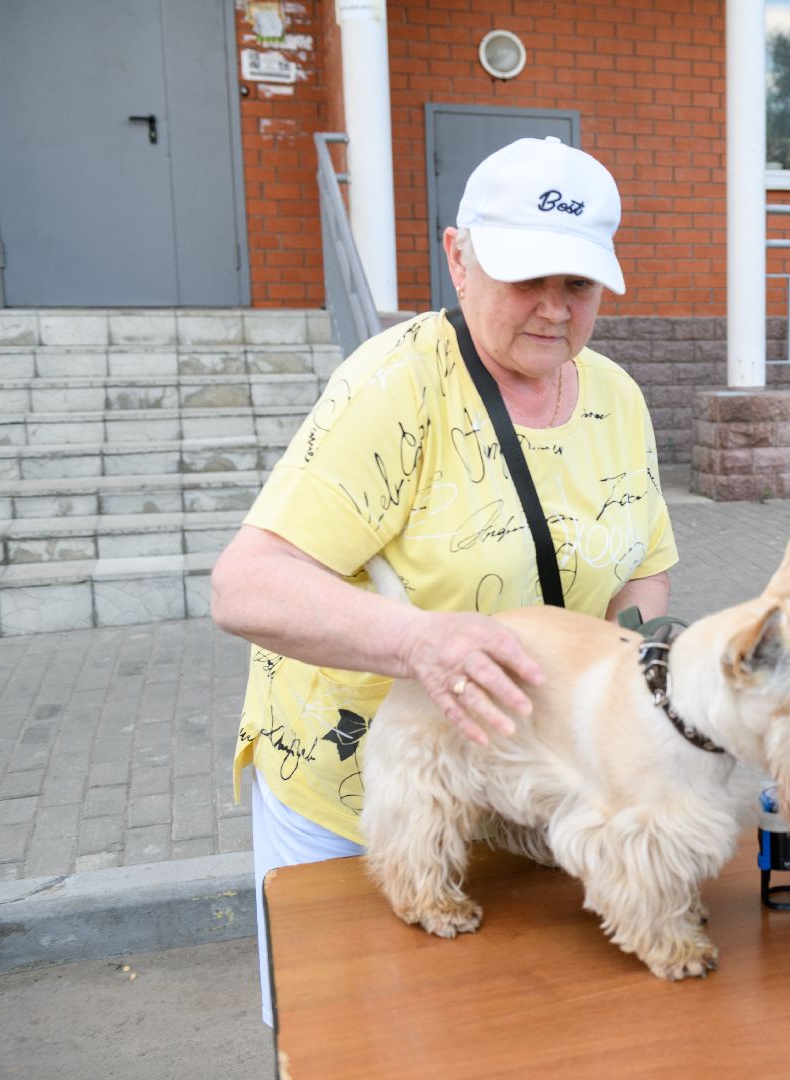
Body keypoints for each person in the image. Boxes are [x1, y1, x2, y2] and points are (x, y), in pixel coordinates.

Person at [210, 136, 677, 1026]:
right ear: (458, 258)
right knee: (361, 1036)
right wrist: (423, 641)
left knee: (517, 1031)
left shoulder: (616, 396)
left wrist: (643, 670)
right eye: (524, 276)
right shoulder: (395, 388)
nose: (552, 309)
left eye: (576, 285)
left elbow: (645, 566)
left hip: (528, 789)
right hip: (365, 798)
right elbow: (244, 586)